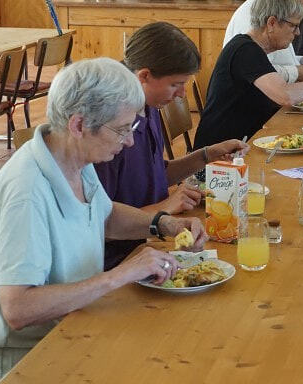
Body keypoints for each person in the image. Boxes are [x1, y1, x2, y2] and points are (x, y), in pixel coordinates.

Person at [0, 58, 208, 384]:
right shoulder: (26, 194)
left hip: (75, 323)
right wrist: (120, 275)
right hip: (21, 361)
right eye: (122, 130)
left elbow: (103, 214)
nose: (129, 141)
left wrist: (163, 224)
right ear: (78, 125)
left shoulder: (72, 156)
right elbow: (18, 309)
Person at [94, 22, 248, 270]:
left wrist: (207, 155)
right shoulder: (109, 131)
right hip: (118, 261)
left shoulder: (148, 107)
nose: (182, 94)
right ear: (144, 76)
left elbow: (155, 174)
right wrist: (162, 211)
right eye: (175, 84)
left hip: (151, 242)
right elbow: (97, 226)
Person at [193, 0, 303, 149]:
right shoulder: (245, 51)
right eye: (294, 26)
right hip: (221, 156)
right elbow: (285, 95)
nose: (297, 33)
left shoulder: (252, 48)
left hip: (243, 145)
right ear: (272, 23)